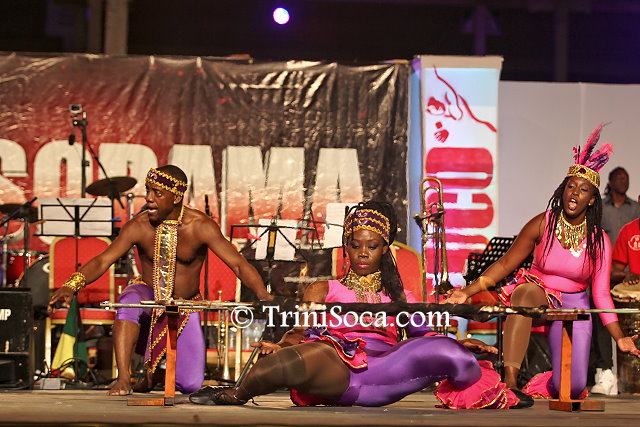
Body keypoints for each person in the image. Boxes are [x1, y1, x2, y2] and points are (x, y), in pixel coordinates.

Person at [190, 201, 531, 409]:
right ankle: (235, 394)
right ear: (347, 248)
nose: (363, 253)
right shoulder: (323, 288)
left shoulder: (400, 297)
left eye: (372, 246)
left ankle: (496, 393)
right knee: (309, 353)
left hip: (390, 370)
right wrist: (282, 344)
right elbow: (300, 330)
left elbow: (424, 337)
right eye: (355, 246)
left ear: (385, 249)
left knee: (451, 352)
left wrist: (458, 344)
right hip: (337, 370)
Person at [444, 124, 640, 398]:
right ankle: (511, 382)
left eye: (583, 189)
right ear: (563, 190)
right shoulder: (542, 223)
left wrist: (620, 337)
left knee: (571, 388)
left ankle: (542, 384)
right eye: (570, 186)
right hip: (540, 291)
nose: (575, 193)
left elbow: (601, 295)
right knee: (524, 293)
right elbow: (505, 264)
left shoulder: (600, 241)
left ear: (591, 200)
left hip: (574, 303)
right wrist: (467, 291)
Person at [49, 165, 272, 396]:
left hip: (185, 305)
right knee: (128, 301)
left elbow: (238, 264)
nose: (148, 198)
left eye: (157, 193)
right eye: (148, 190)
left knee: (190, 385)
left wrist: (263, 295)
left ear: (176, 197)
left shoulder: (200, 226)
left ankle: (156, 374)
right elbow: (103, 260)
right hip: (148, 296)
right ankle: (124, 378)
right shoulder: (139, 225)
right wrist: (71, 285)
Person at [591, 167, 640, 395]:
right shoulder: (628, 231)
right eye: (619, 178)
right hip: (616, 283)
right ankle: (606, 371)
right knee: (600, 308)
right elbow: (615, 270)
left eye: (626, 178)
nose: (624, 181)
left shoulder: (632, 209)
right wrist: (625, 276)